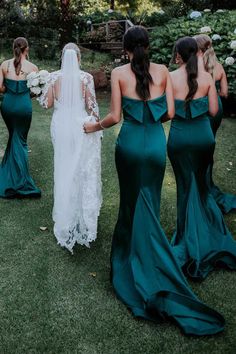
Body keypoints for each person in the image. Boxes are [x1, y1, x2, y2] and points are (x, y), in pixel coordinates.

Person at [84, 27, 224, 336]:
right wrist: (152, 117)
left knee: (132, 204)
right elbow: (171, 113)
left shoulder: (119, 72)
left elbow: (115, 117)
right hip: (156, 147)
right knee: (151, 200)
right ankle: (151, 259)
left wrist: (92, 127)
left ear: (126, 49)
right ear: (147, 46)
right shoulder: (162, 71)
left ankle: (132, 262)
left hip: (130, 145)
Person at [167, 36, 236, 280]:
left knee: (186, 188)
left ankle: (188, 239)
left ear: (178, 55)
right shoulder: (207, 77)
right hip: (203, 138)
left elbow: (169, 113)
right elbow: (215, 111)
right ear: (195, 54)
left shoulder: (170, 77)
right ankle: (208, 234)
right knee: (201, 186)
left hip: (179, 139)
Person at [40, 43, 102, 253]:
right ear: (78, 57)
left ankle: (65, 212)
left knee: (63, 166)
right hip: (77, 125)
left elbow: (46, 104)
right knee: (79, 168)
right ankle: (78, 212)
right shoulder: (86, 78)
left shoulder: (53, 77)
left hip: (60, 125)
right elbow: (92, 107)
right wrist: (95, 127)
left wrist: (40, 88)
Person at [194, 34, 236, 214]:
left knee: (200, 143)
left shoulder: (195, 67)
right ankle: (207, 181)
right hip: (216, 108)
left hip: (203, 106)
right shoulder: (218, 67)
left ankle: (200, 183)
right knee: (210, 142)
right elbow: (225, 93)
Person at [0, 37, 41, 198]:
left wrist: (11, 91)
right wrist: (23, 94)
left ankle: (10, 172)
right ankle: (20, 181)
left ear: (14, 48)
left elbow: (0, 87)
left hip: (8, 106)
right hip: (24, 106)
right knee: (21, 140)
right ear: (27, 49)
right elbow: (36, 90)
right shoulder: (33, 67)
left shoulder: (4, 65)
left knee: (14, 136)